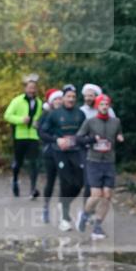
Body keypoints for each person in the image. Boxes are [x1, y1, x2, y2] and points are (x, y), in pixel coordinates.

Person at [38, 84, 86, 231]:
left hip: (76, 151)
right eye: (68, 96)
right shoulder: (54, 114)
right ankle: (64, 219)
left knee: (79, 183)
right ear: (63, 98)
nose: (71, 99)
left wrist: (80, 141)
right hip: (58, 152)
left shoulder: (80, 114)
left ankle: (63, 204)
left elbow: (84, 134)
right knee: (66, 182)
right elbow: (42, 133)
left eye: (73, 97)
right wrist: (56, 140)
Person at [75, 94, 124, 240]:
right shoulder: (90, 122)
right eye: (101, 104)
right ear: (97, 106)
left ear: (109, 106)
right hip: (93, 161)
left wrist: (120, 137)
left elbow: (119, 133)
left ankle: (97, 225)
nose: (104, 107)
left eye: (106, 104)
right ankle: (84, 215)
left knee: (107, 195)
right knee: (96, 194)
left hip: (109, 162)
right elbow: (78, 138)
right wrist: (91, 139)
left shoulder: (116, 122)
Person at [4, 74, 42, 198]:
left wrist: (38, 123)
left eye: (34, 88)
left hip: (33, 136)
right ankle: (15, 180)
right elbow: (7, 115)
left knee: (34, 163)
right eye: (30, 87)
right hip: (20, 136)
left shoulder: (39, 102)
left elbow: (39, 118)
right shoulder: (17, 100)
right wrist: (21, 119)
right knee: (19, 162)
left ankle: (33, 189)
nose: (32, 90)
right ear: (25, 88)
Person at [38, 89, 63, 223]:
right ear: (51, 102)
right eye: (55, 99)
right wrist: (54, 139)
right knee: (51, 181)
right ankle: (46, 208)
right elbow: (41, 133)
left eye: (60, 99)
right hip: (50, 152)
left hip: (65, 153)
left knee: (65, 181)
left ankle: (62, 208)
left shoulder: (67, 114)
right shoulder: (45, 115)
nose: (58, 101)